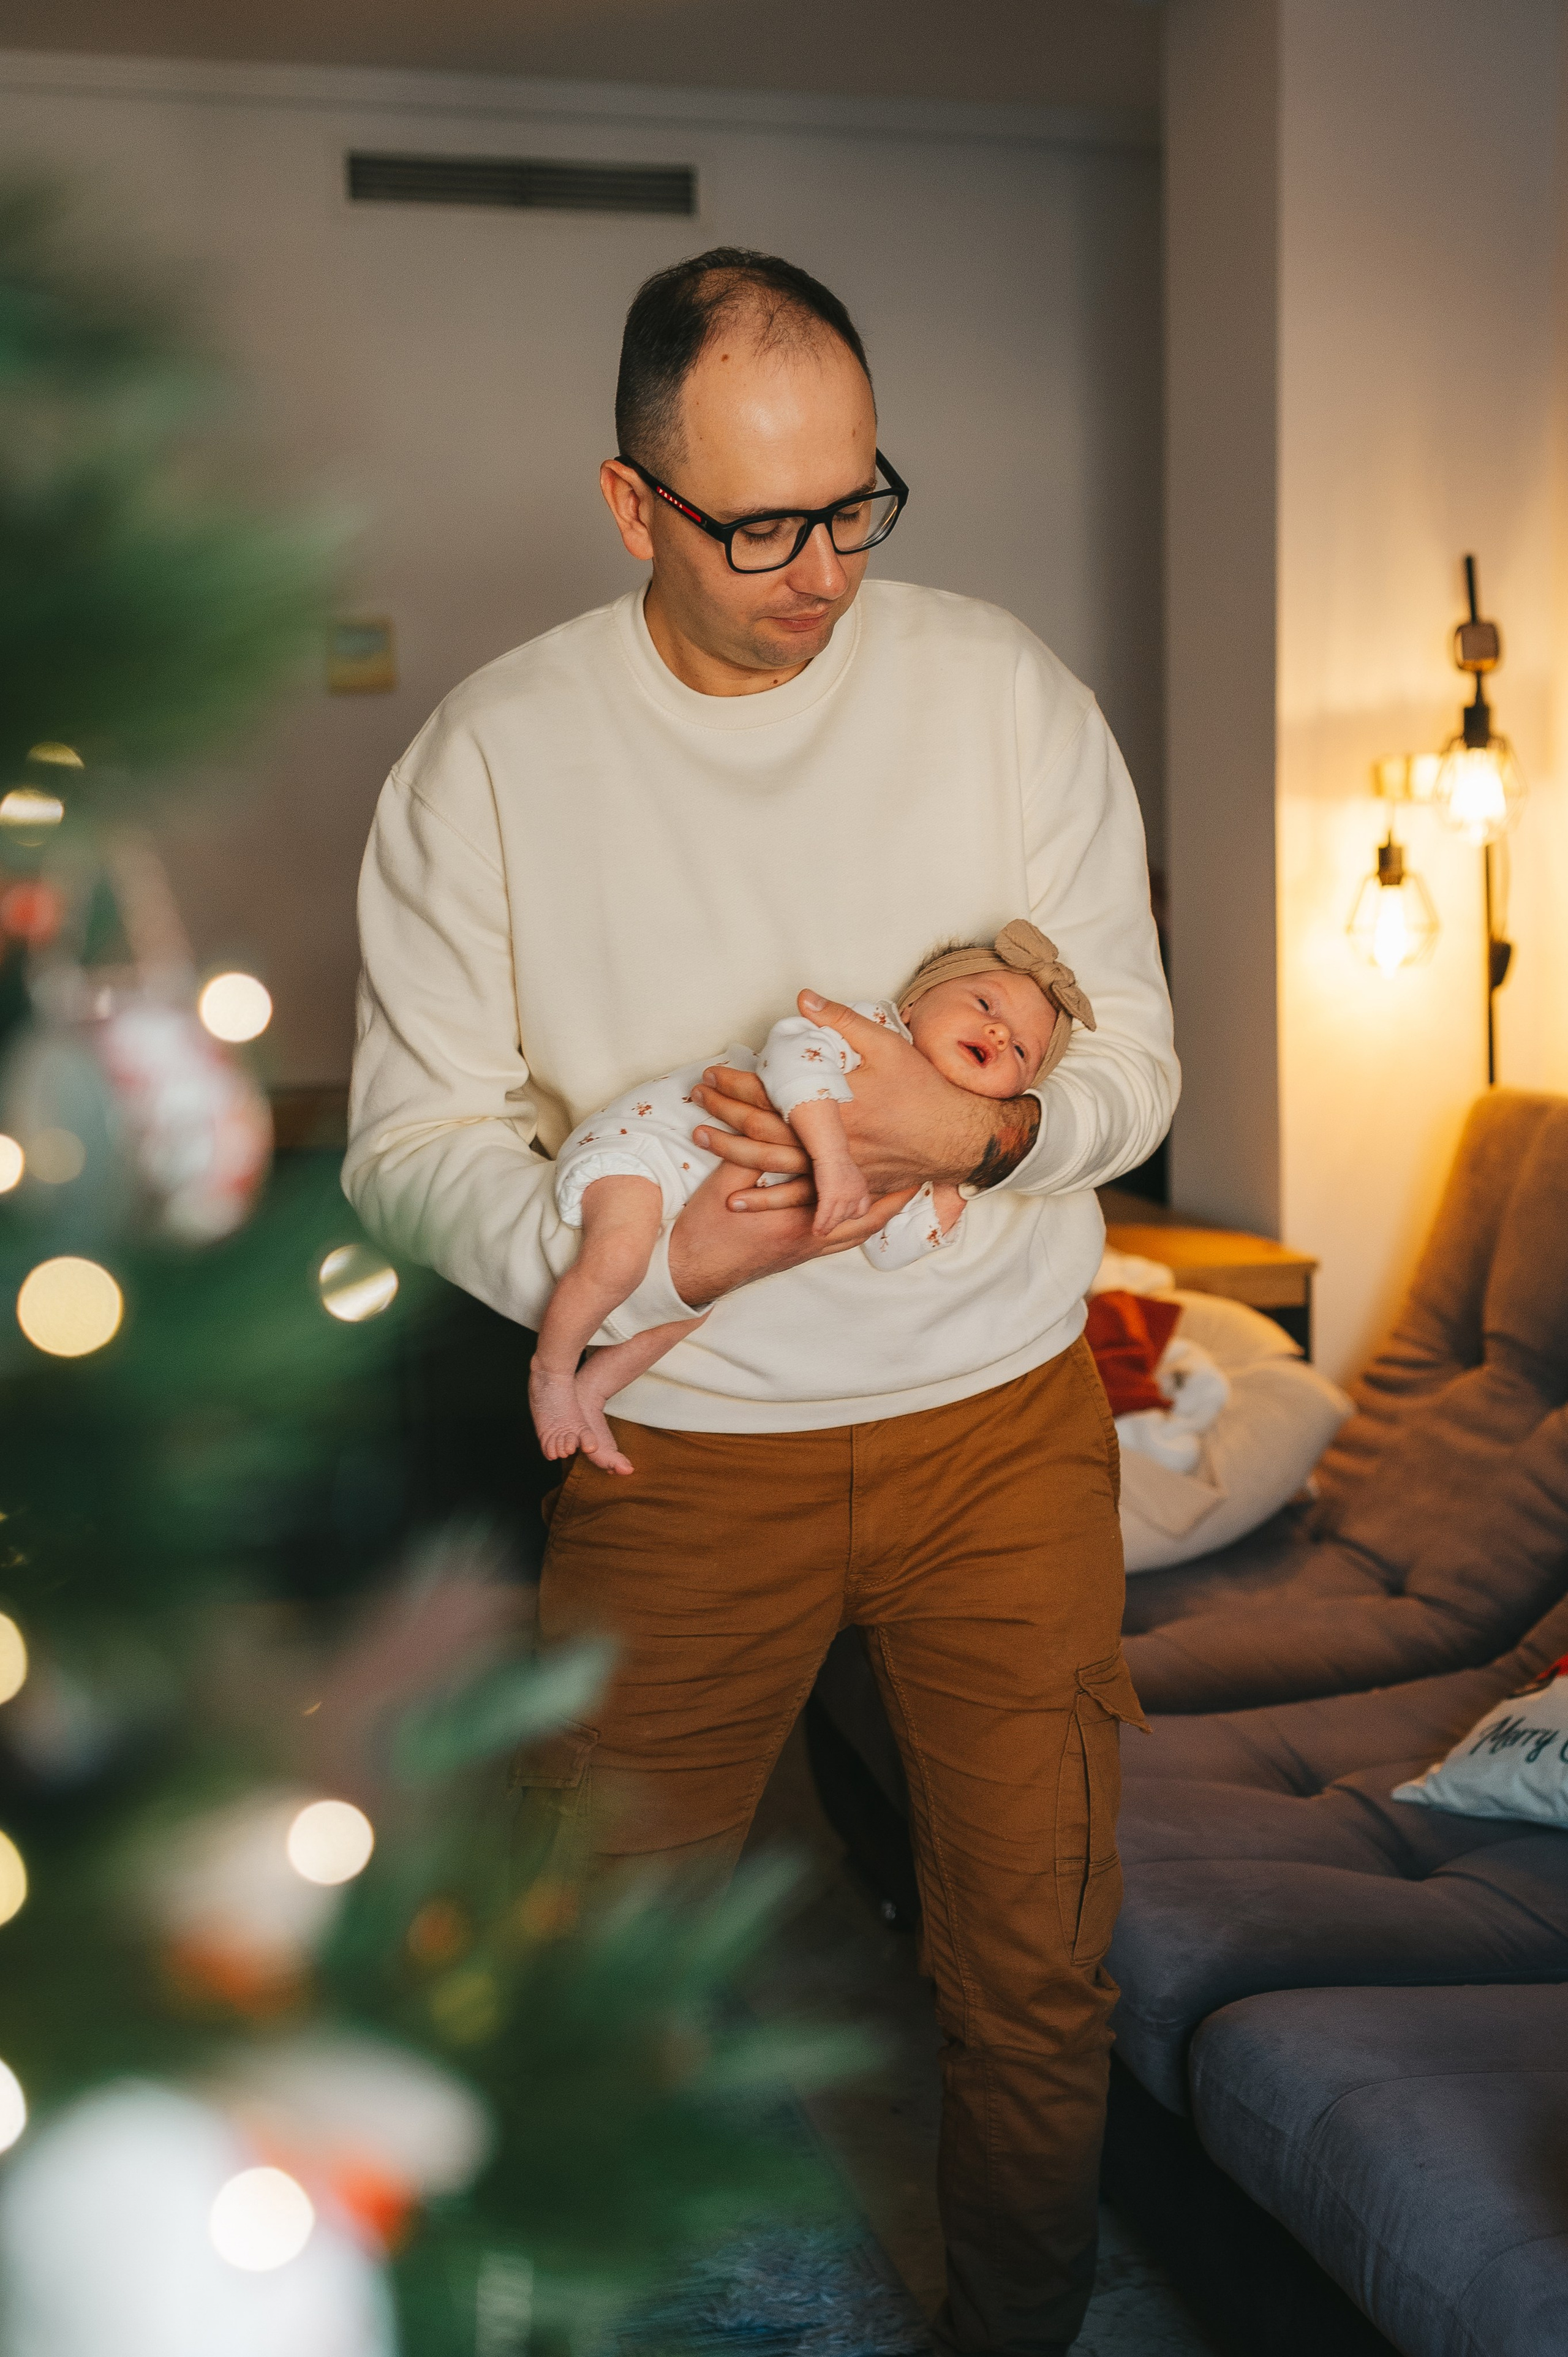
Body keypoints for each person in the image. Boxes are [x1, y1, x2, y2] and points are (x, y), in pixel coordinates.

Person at [344, 247, 1178, 2356]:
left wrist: (968, 1128)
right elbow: (409, 1135)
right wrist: (627, 1259)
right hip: (684, 1447)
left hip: (1004, 1431)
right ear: (631, 502)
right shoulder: (491, 757)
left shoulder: (1003, 693)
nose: (824, 571)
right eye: (761, 526)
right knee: (586, 1962)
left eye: (857, 503)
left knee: (1036, 1962)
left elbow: (1137, 1064)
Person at [529, 921, 1092, 1473]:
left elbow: (886, 1247)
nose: (999, 1034)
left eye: (1022, 1051)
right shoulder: (873, 1033)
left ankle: (593, 1392)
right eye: (985, 1005)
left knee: (685, 1315)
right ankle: (551, 1374)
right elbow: (792, 1056)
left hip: (699, 1208)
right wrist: (833, 1158)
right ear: (915, 1003)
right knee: (620, 1257)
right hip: (647, 1148)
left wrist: (953, 1189)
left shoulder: (927, 1151)